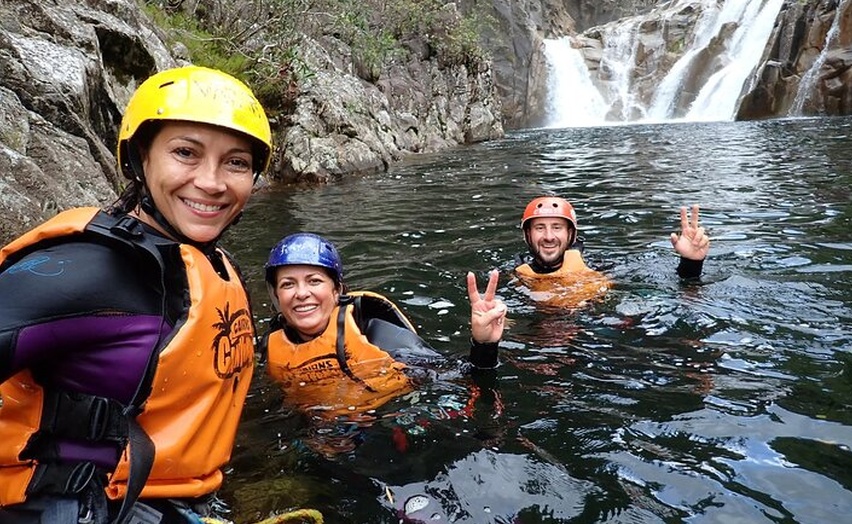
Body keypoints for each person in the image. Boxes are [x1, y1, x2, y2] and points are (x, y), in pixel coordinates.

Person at [0, 65, 272, 524]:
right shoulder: (90, 270)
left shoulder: (216, 266)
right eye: (186, 153)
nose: (212, 181)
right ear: (140, 158)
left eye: (237, 162)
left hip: (171, 499)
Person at [261, 232, 508, 420]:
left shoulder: (374, 331)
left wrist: (484, 345)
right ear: (277, 297)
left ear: (337, 290)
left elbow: (456, 373)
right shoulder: (270, 346)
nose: (301, 293)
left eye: (314, 281)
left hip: (389, 419)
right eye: (288, 284)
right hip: (322, 430)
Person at [514, 196, 710, 308]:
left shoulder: (599, 267)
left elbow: (671, 288)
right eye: (540, 228)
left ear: (571, 234)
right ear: (528, 235)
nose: (549, 236)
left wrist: (691, 263)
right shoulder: (515, 276)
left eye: (557, 227)